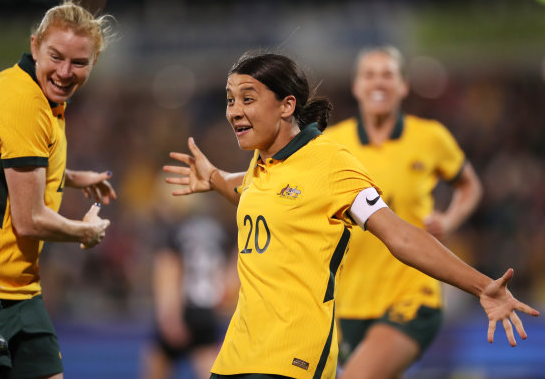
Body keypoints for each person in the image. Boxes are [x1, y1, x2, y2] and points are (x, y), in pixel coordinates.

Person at [163, 51, 539, 379]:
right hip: (235, 354)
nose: (234, 111)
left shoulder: (330, 163)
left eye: (248, 98)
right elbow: (252, 191)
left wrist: (481, 286)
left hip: (291, 357)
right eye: (230, 100)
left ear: (286, 105)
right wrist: (213, 178)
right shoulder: (264, 166)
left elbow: (400, 235)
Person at [0, 0, 116, 379]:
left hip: (21, 288)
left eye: (79, 63)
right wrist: (85, 231)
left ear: (93, 63)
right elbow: (28, 220)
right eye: (56, 56)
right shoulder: (25, 103)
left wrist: (76, 177)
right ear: (35, 46)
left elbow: (9, 167)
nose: (65, 72)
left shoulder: (30, 87)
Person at [323, 45, 483, 379]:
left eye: (387, 74)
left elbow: (469, 185)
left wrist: (449, 220)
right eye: (369, 75)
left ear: (403, 86)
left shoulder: (430, 137)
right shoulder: (331, 145)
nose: (378, 82)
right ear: (356, 86)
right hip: (347, 302)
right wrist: (220, 180)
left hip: (412, 294)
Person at [142, 194, 237, 379]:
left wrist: (169, 313)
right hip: (208, 311)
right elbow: (235, 265)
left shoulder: (174, 229)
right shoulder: (219, 229)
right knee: (208, 369)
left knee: (157, 364)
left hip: (183, 307)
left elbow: (168, 268)